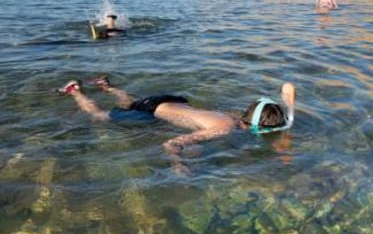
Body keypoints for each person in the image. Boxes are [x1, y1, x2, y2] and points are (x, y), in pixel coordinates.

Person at [57, 77, 295, 155]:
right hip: (152, 112)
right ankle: (75, 91)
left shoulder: (231, 116)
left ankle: (107, 86)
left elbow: (287, 87)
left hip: (170, 101)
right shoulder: (224, 129)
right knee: (99, 116)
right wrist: (178, 163)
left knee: (132, 103)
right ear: (259, 130)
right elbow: (171, 143)